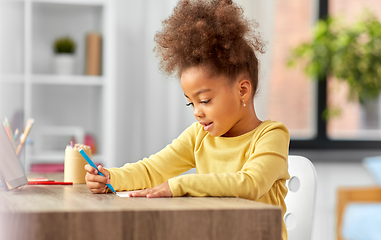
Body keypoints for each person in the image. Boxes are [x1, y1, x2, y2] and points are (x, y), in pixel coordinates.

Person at [85, 0, 290, 239]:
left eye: (204, 101)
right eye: (190, 103)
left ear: (242, 90)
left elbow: (250, 185)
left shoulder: (271, 135)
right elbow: (154, 169)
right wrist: (112, 178)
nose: (196, 112)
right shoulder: (199, 136)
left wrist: (179, 186)